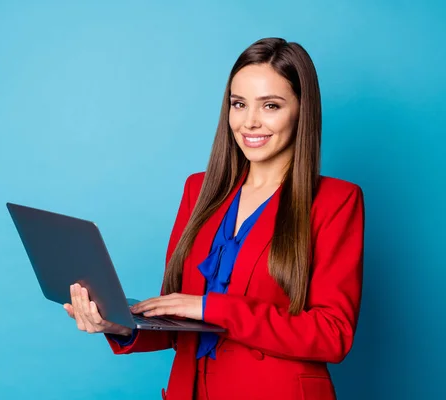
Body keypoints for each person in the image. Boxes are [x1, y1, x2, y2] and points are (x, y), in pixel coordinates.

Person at [63, 37, 365, 400]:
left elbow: (333, 335)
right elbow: (177, 323)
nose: (250, 122)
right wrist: (120, 325)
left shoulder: (335, 200)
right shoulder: (199, 190)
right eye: (239, 104)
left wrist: (210, 307)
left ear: (302, 110)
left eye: (270, 105)